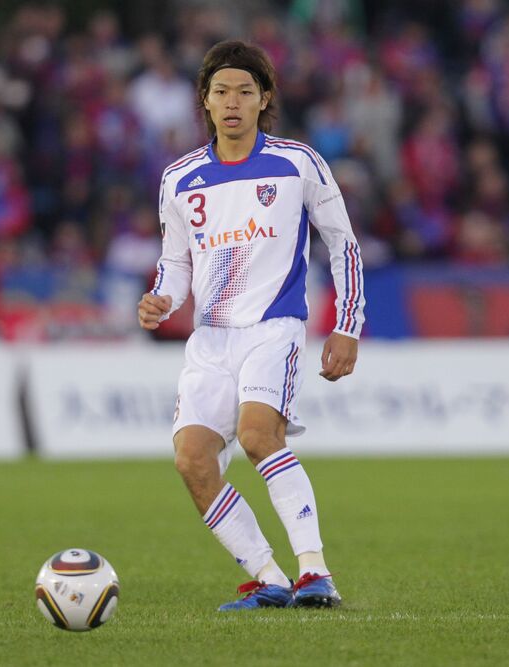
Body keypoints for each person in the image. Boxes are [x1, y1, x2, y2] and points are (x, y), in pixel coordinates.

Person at [137, 41, 365, 611]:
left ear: (264, 99)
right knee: (192, 460)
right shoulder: (179, 178)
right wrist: (162, 298)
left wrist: (347, 325)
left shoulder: (297, 163)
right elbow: (176, 262)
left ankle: (315, 572)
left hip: (273, 328)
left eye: (245, 91)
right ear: (205, 101)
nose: (232, 102)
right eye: (221, 92)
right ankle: (268, 577)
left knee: (261, 436)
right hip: (210, 341)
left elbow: (343, 243)